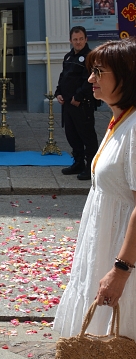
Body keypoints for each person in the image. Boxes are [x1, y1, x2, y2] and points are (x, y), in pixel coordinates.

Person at [53, 37, 136, 340]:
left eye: (99, 72)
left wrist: (121, 269)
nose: (90, 79)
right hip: (104, 243)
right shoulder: (120, 121)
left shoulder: (135, 128)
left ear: (126, 78)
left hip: (122, 254)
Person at [55, 26, 99, 180]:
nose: (78, 42)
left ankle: (91, 168)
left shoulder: (90, 57)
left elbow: (89, 81)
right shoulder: (68, 57)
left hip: (82, 104)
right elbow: (63, 77)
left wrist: (78, 97)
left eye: (81, 39)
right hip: (68, 104)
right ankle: (78, 163)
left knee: (87, 136)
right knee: (72, 135)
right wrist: (58, 92)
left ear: (86, 39)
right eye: (75, 39)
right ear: (70, 41)